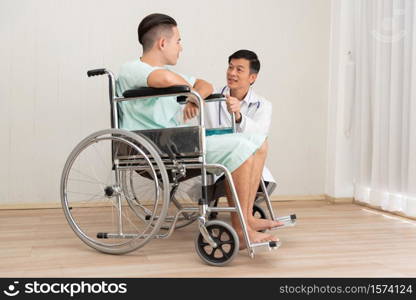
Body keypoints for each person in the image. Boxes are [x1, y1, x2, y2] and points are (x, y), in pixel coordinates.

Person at [116, 13, 281, 247]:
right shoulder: (132, 69)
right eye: (178, 41)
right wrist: (190, 89)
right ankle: (241, 228)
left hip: (174, 144)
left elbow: (205, 85)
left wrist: (195, 98)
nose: (181, 47)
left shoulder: (169, 74)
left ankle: (246, 219)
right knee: (244, 144)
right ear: (163, 43)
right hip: (151, 147)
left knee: (258, 141)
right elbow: (161, 77)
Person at [205, 49, 276, 194]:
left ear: (252, 77)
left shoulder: (263, 105)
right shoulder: (210, 97)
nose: (232, 73)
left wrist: (239, 117)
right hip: (217, 163)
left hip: (249, 165)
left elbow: (260, 139)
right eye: (230, 67)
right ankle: (244, 215)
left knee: (252, 163)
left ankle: (245, 212)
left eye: (239, 69)